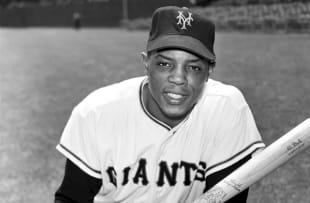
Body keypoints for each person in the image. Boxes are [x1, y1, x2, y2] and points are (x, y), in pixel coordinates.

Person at [55, 6, 265, 203]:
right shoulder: (98, 113)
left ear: (209, 71)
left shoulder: (225, 109)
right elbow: (71, 198)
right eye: (165, 64)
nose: (178, 78)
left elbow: (229, 197)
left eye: (193, 68)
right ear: (146, 62)